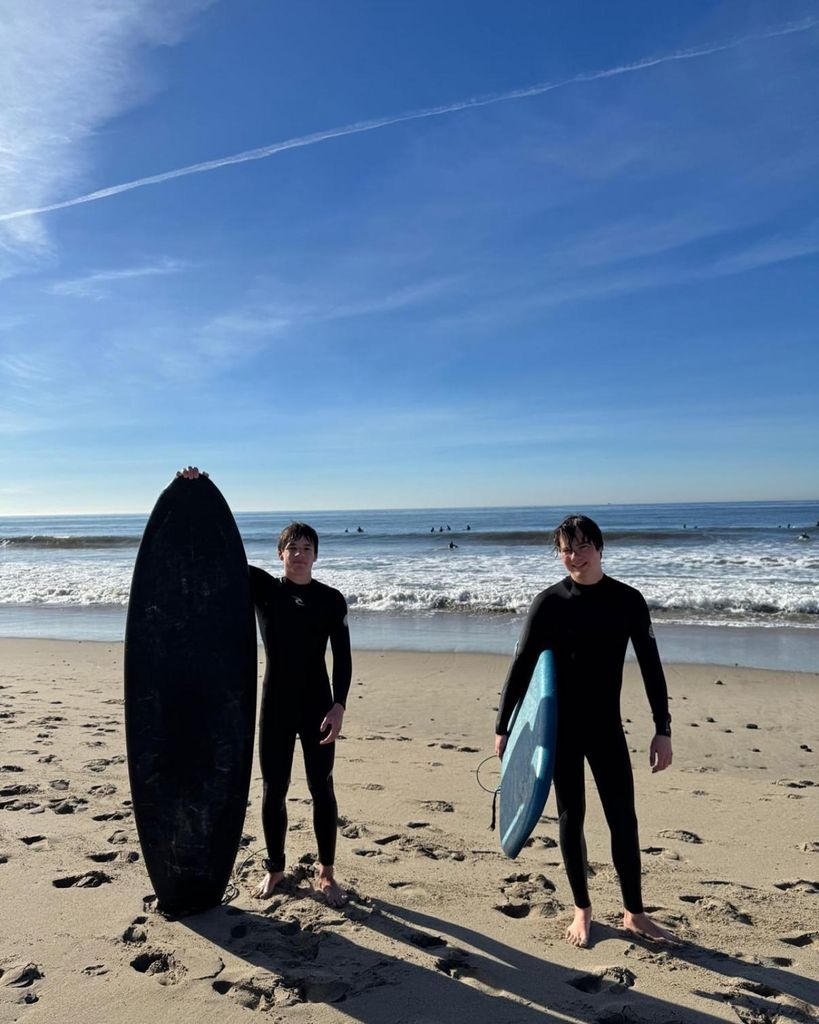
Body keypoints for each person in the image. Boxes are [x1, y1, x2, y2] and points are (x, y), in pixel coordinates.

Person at [494, 514, 675, 947]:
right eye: (565, 549)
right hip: (560, 731)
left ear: (599, 547)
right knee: (571, 817)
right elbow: (521, 668)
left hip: (606, 728)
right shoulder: (549, 603)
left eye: (581, 546)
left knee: (623, 819)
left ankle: (634, 913)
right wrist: (503, 726)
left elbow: (651, 667)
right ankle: (582, 909)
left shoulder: (628, 601)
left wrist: (661, 728)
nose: (573, 556)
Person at [177, 467, 352, 907]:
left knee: (321, 787)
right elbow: (217, 552)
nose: (299, 554)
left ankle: (327, 873)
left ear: (317, 556)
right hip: (274, 705)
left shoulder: (331, 600)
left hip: (317, 706)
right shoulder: (265, 590)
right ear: (279, 554)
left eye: (307, 548)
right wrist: (195, 491)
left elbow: (343, 659)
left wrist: (338, 706)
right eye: (292, 548)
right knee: (273, 789)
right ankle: (276, 870)